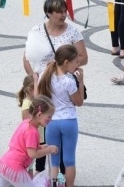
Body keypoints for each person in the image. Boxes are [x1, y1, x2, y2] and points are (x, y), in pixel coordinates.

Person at [37, 44, 84, 187]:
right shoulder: (69, 81)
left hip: (52, 121)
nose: (78, 64)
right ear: (66, 63)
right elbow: (79, 102)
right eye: (76, 61)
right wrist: (81, 82)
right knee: (69, 160)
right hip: (68, 120)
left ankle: (54, 184)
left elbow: (39, 96)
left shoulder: (46, 76)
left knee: (54, 159)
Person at [0, 96, 57, 187]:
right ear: (39, 115)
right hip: (16, 168)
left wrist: (40, 147)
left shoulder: (25, 123)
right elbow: (32, 154)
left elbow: (24, 145)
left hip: (3, 165)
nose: (51, 119)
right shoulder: (32, 131)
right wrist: (49, 149)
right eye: (49, 116)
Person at [23, 0, 88, 76]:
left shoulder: (73, 32)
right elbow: (27, 58)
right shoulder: (36, 31)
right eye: (60, 12)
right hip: (41, 81)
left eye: (65, 11)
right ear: (49, 13)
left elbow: (83, 58)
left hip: (65, 82)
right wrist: (33, 78)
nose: (64, 15)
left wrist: (62, 65)